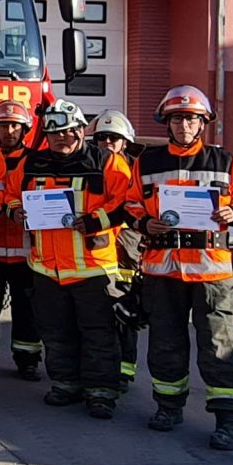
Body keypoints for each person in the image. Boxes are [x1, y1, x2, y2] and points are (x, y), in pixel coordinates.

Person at [133, 84, 233, 451]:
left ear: (203, 122)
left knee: (219, 345)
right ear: (167, 123)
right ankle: (169, 407)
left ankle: (227, 419)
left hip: (212, 272)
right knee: (165, 343)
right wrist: (145, 223)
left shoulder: (226, 161)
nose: (184, 125)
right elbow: (131, 205)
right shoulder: (146, 162)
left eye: (191, 118)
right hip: (163, 270)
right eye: (177, 118)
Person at [1, 101, 140, 420]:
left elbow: (128, 202)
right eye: (53, 133)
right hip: (45, 267)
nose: (61, 138)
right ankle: (65, 384)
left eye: (67, 131)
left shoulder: (107, 162)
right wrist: (15, 211)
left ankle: (101, 392)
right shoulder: (31, 163)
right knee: (56, 331)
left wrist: (97, 220)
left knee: (98, 333)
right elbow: (9, 194)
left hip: (93, 268)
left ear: (81, 130)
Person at [0, 96, 43, 379]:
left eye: (15, 126)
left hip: (25, 251)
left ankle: (27, 359)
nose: (9, 132)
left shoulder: (35, 163)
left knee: (27, 308)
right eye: (3, 126)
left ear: (25, 129)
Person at [93, 110, 143, 396]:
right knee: (99, 316)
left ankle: (124, 371)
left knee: (125, 314)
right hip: (99, 251)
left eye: (113, 138)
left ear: (125, 142)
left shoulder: (134, 170)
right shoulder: (90, 168)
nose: (107, 142)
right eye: (101, 138)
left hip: (126, 247)